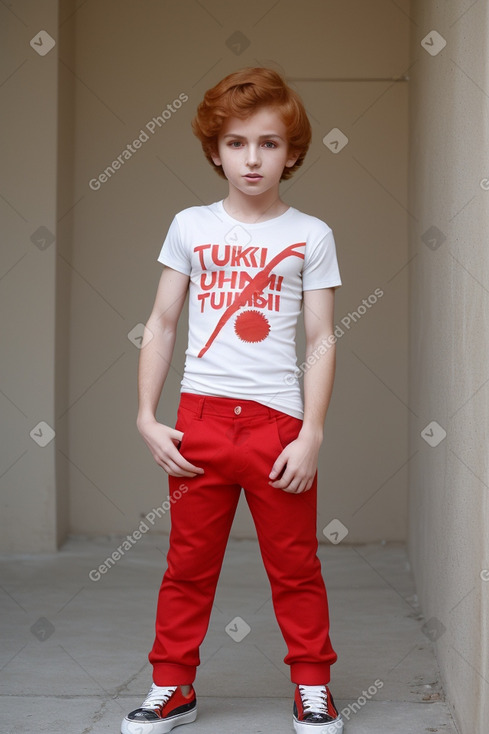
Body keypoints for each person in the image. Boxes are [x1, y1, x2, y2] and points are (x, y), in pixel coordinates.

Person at [121, 67, 344, 734]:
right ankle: (172, 687)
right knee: (186, 567)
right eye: (238, 142)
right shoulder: (189, 226)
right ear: (214, 149)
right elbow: (160, 324)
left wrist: (310, 434)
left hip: (277, 426)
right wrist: (145, 416)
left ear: (294, 152)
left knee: (295, 566)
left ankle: (312, 687)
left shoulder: (311, 234)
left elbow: (321, 338)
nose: (253, 158)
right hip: (201, 424)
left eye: (269, 144)